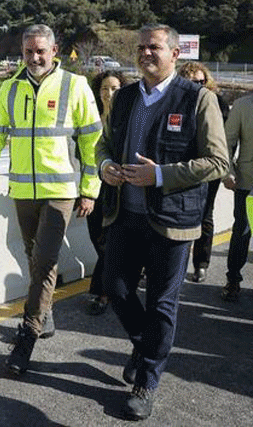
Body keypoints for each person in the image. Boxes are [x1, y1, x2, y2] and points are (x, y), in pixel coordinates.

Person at [97, 24, 228, 420]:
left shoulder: (197, 99)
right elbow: (104, 142)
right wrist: (104, 165)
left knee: (162, 304)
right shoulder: (123, 98)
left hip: (172, 222)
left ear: (174, 54)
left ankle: (147, 382)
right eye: (140, 48)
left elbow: (217, 161)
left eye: (154, 47)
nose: (145, 53)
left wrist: (160, 175)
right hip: (125, 214)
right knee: (115, 288)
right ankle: (146, 344)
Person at [0, 24, 102, 375]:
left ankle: (27, 334)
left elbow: (93, 141)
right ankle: (46, 312)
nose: (35, 57)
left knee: (44, 260)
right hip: (23, 191)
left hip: (60, 190)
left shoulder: (75, 86)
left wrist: (90, 188)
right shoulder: (9, 89)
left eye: (41, 51)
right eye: (29, 52)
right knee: (33, 256)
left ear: (54, 50)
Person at [178, 61, 230, 283]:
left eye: (200, 82)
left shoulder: (217, 102)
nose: (197, 86)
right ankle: (174, 266)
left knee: (205, 217)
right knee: (178, 219)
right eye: (191, 82)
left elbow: (225, 141)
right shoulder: (176, 101)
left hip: (208, 169)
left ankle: (201, 263)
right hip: (180, 169)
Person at [86, 70, 129, 315]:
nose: (109, 93)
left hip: (117, 188)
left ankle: (102, 293)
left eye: (114, 88)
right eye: (104, 88)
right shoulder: (90, 118)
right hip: (92, 188)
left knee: (109, 243)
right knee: (97, 239)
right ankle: (112, 284)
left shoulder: (126, 118)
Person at [221, 91, 253, 301]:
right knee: (241, 233)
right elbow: (226, 143)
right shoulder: (243, 106)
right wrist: (228, 172)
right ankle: (233, 278)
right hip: (247, 183)